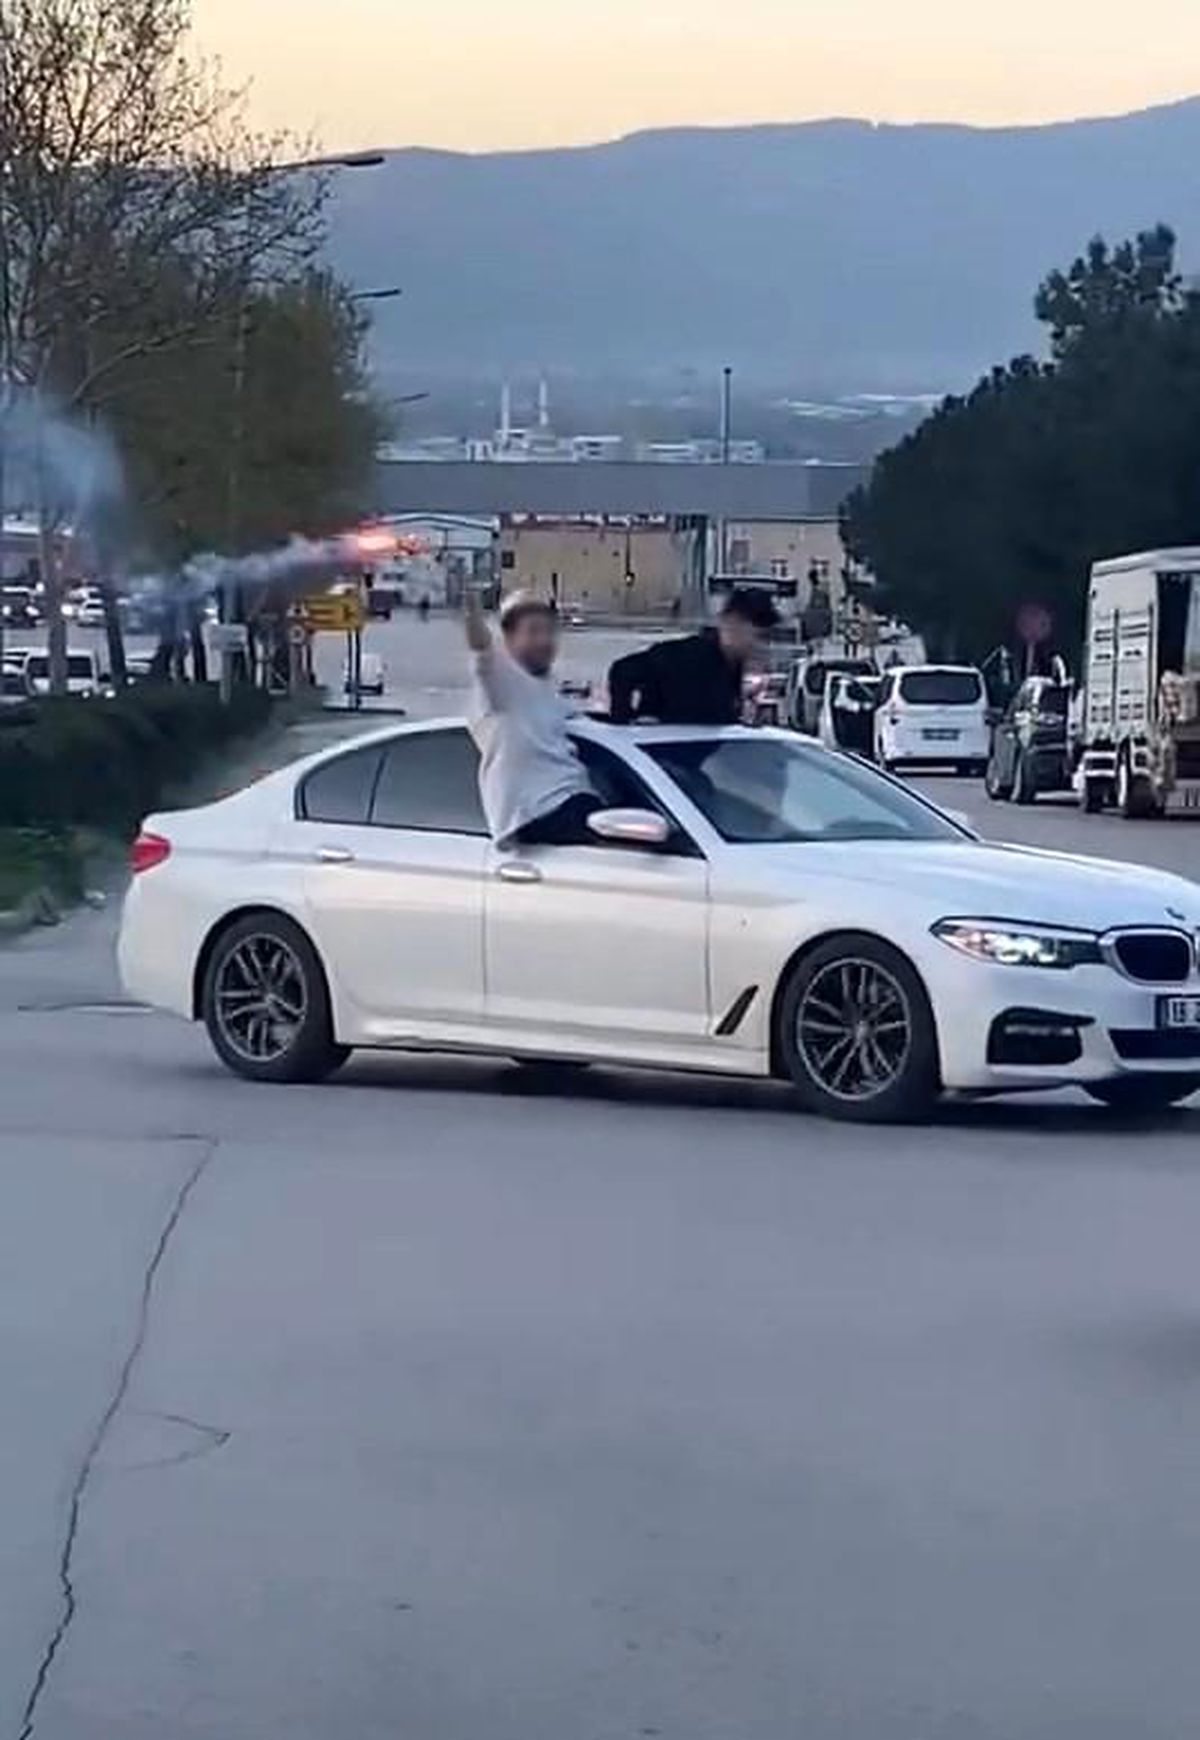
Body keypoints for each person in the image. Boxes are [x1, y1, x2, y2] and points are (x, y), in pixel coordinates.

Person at [465, 589, 600, 847]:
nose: (544, 640)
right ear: (508, 639)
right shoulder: (502, 683)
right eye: (534, 631)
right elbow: (480, 646)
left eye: (549, 632)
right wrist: (471, 607)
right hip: (539, 812)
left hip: (574, 800)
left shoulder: (551, 693)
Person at [608, 586, 779, 725]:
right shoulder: (685, 656)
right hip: (663, 753)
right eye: (758, 635)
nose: (760, 645)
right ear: (731, 622)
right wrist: (627, 728)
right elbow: (623, 671)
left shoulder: (733, 668)